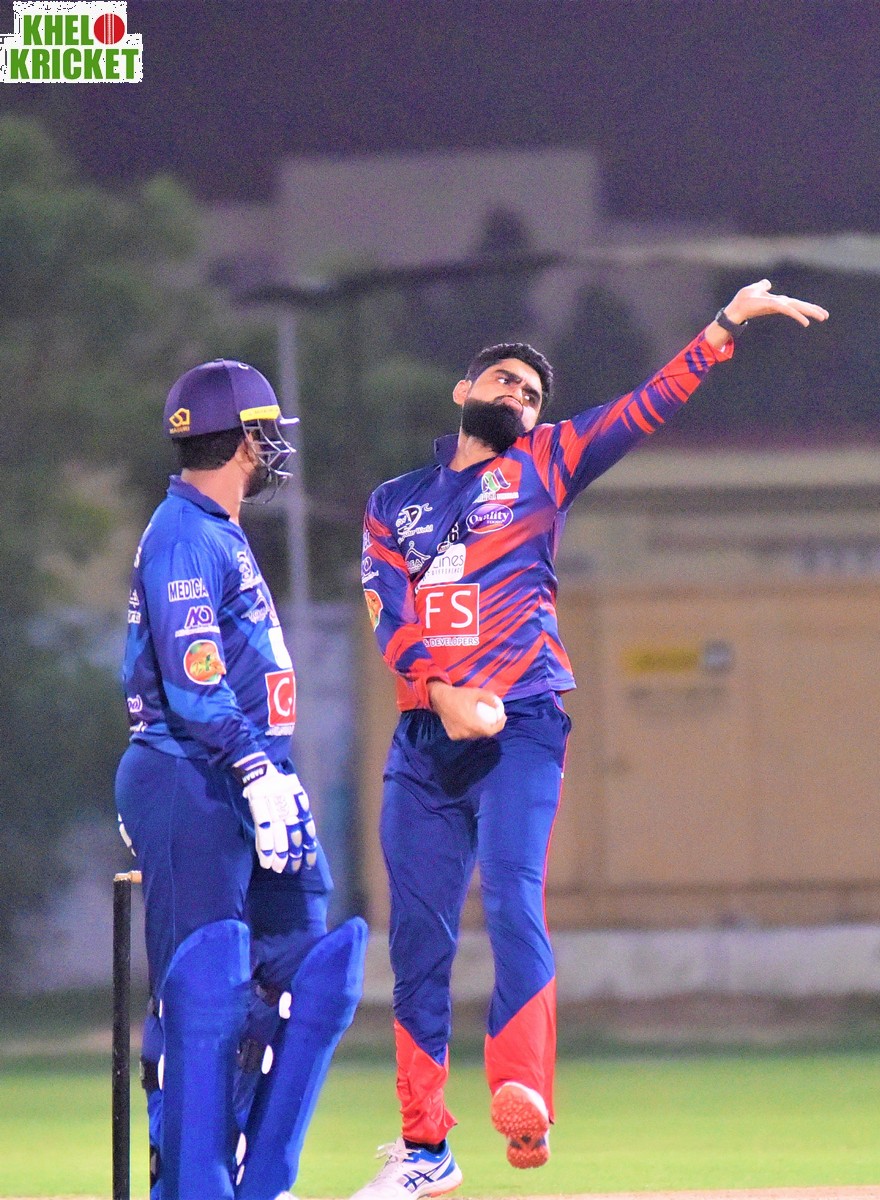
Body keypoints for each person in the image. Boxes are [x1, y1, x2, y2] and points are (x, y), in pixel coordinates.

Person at [353, 280, 829, 1199]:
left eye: (533, 394)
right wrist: (445, 697)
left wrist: (724, 326)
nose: (518, 397)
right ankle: (425, 1151)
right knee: (416, 942)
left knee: (513, 896)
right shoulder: (393, 501)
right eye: (504, 381)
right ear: (463, 391)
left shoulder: (548, 461)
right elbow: (388, 611)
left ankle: (524, 1092)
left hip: (524, 722)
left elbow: (646, 405)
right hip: (426, 737)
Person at [115, 359, 368, 1200]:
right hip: (194, 773)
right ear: (246, 440)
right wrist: (255, 769)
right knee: (205, 987)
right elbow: (195, 681)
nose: (275, 450)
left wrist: (269, 773)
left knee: (312, 967)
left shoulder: (217, 529)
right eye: (268, 434)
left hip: (246, 771)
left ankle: (263, 1180)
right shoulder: (184, 535)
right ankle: (193, 1185)